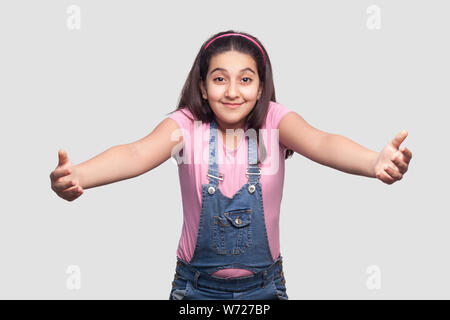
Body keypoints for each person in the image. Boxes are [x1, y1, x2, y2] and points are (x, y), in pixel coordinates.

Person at [49, 30, 412, 300]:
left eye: (246, 79)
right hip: (194, 291)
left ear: (260, 87)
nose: (233, 91)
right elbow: (136, 154)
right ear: (204, 87)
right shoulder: (185, 126)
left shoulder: (274, 121)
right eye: (220, 79)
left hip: (265, 289)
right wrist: (80, 175)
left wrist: (372, 161)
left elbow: (321, 141)